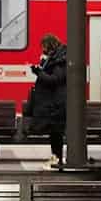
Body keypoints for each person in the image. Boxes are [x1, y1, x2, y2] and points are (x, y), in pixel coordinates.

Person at [28, 34, 67, 170]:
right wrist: (41, 67)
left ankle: (57, 159)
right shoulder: (57, 59)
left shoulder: (60, 61)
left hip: (57, 103)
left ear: (50, 46)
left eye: (44, 47)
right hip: (54, 102)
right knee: (54, 132)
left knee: (56, 133)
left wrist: (38, 72)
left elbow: (54, 80)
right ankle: (55, 158)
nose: (43, 50)